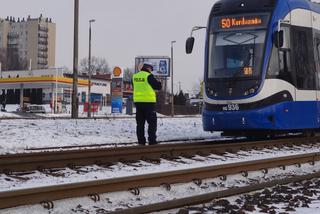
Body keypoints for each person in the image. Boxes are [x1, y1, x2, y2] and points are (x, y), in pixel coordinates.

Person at [133, 62, 162, 145]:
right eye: (150, 69)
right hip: (149, 103)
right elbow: (158, 87)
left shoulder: (135, 76)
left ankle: (141, 142)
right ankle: (152, 141)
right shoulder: (148, 76)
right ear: (147, 68)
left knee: (140, 123)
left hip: (138, 102)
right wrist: (159, 82)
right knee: (152, 122)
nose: (151, 71)